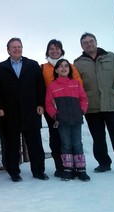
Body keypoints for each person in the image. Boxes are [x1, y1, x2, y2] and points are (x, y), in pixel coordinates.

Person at [0, 37, 48, 182]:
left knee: (35, 143)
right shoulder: (1, 68)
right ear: (8, 50)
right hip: (10, 112)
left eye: (19, 46)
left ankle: (38, 171)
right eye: (13, 47)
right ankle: (14, 172)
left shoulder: (33, 65)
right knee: (12, 144)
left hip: (31, 110)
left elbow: (40, 86)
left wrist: (41, 104)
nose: (17, 49)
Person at [74, 32, 114, 176]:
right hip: (92, 106)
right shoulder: (78, 63)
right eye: (85, 43)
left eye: (91, 41)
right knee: (98, 137)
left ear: (96, 42)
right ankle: (103, 163)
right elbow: (76, 83)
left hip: (111, 103)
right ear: (81, 45)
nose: (89, 44)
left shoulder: (111, 57)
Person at [41, 39, 83, 177]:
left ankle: (78, 167)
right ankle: (62, 167)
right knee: (56, 138)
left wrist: (80, 109)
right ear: (47, 51)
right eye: (51, 48)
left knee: (74, 140)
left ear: (62, 50)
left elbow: (79, 85)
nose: (54, 51)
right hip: (53, 109)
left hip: (71, 109)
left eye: (57, 48)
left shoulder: (70, 66)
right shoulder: (43, 68)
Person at [45, 59, 90, 181]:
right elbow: (48, 104)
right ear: (56, 70)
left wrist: (81, 111)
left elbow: (84, 99)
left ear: (69, 69)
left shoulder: (76, 83)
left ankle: (81, 170)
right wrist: (55, 115)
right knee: (66, 145)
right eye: (61, 66)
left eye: (66, 66)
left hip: (76, 119)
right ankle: (68, 169)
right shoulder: (52, 86)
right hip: (62, 121)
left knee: (77, 144)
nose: (64, 68)